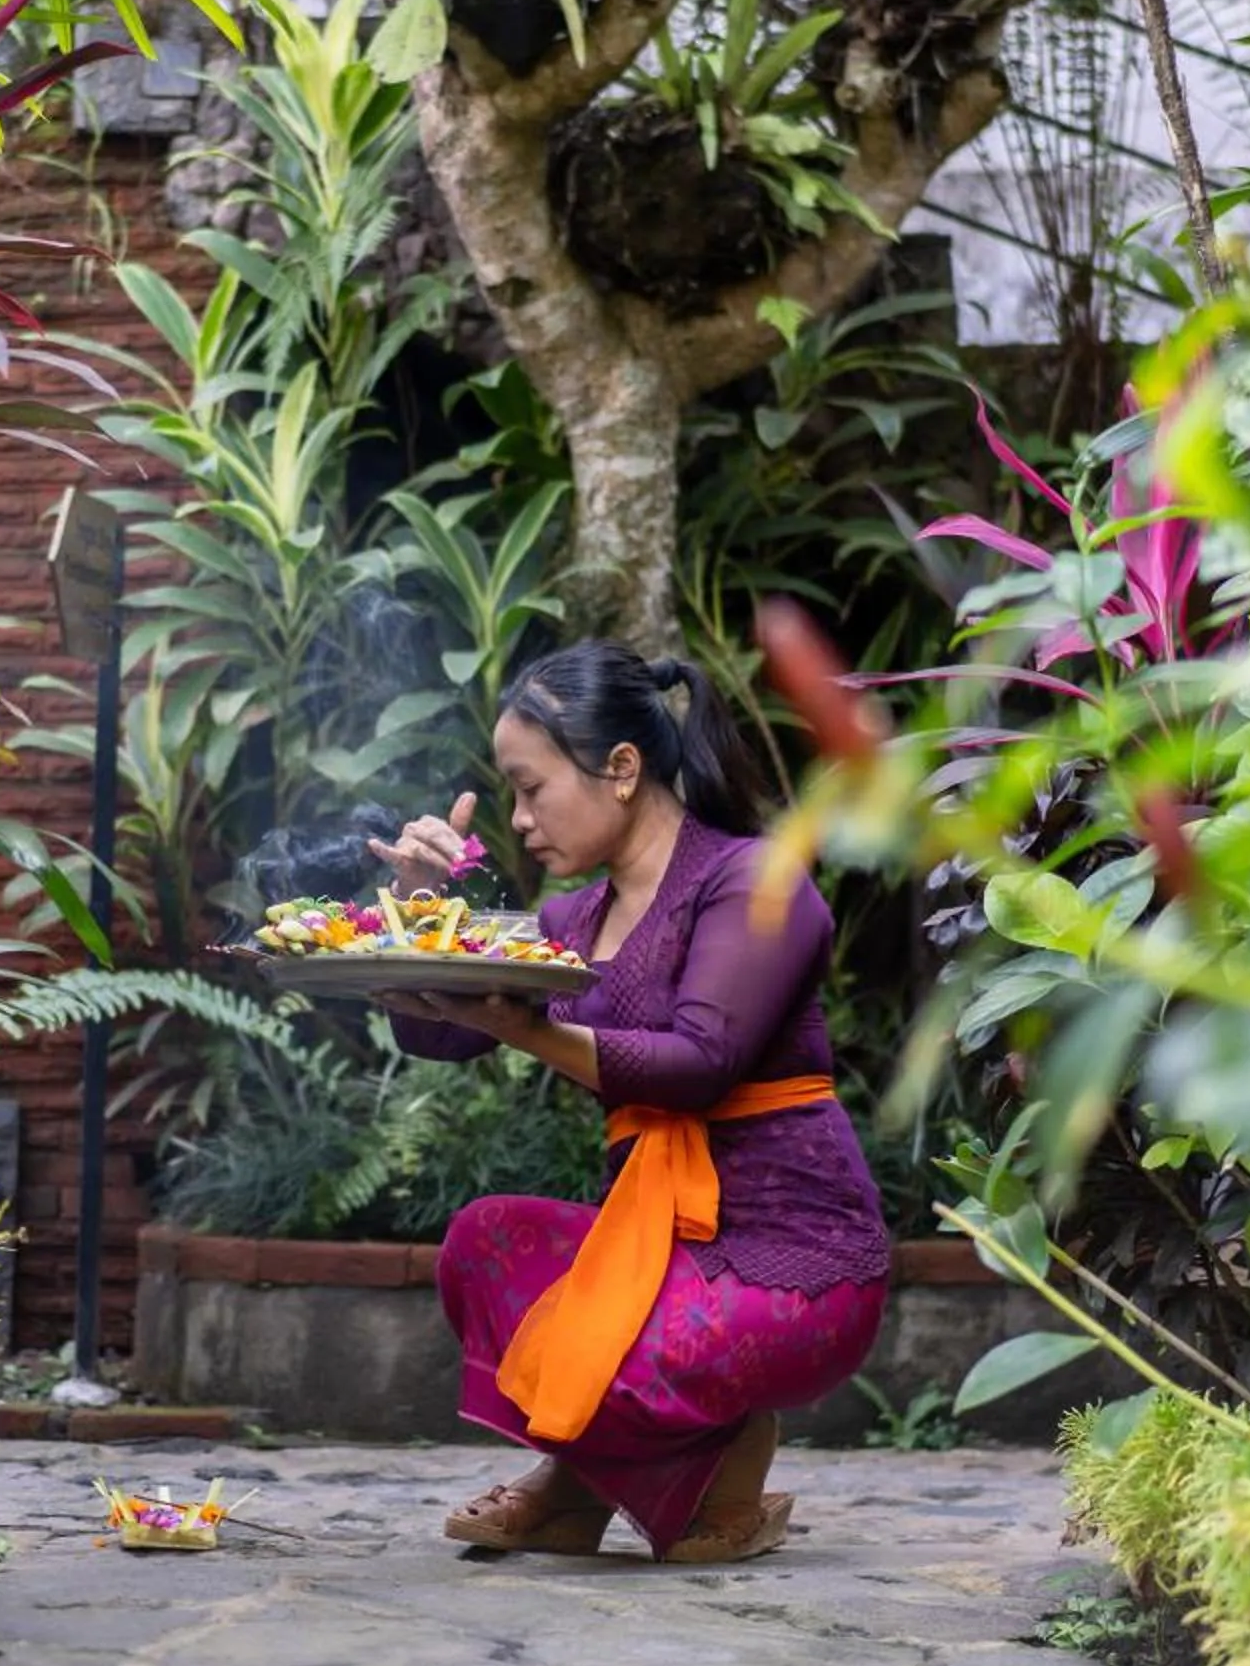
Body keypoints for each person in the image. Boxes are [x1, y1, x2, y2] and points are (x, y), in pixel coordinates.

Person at [371, 641, 893, 1565]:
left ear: (621, 770)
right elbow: (439, 1033)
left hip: (794, 1259)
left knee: (619, 1355)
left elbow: (700, 1062)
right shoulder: (572, 919)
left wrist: (525, 1027)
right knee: (483, 1242)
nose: (520, 819)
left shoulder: (751, 882)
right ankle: (601, 1497)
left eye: (533, 789)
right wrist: (416, 909)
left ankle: (615, 1478)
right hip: (657, 1251)